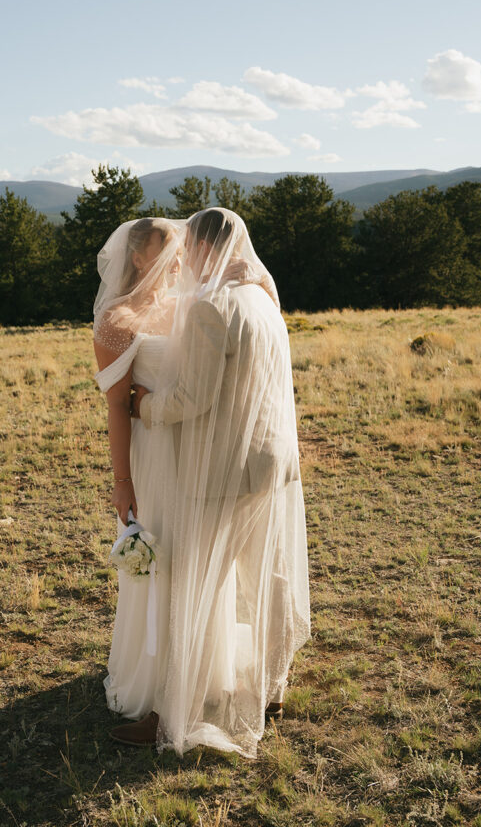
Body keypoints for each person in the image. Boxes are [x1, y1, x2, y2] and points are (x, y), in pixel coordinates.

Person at [111, 208, 310, 757]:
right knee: (267, 576)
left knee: (192, 588)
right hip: (273, 461)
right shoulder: (263, 301)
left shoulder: (209, 309)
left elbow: (190, 400)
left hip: (222, 469)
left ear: (203, 249)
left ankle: (170, 715)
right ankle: (273, 688)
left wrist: (142, 406)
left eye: (188, 248)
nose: (183, 260)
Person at [93, 216, 183, 719]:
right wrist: (122, 482)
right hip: (151, 455)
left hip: (193, 452)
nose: (176, 263)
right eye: (164, 252)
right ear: (137, 257)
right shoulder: (117, 319)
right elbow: (115, 406)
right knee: (158, 554)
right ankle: (150, 678)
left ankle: (189, 662)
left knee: (190, 549)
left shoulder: (185, 309)